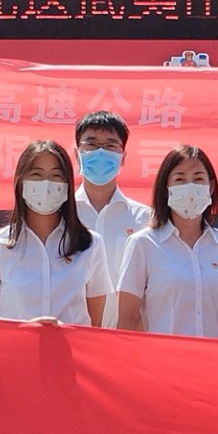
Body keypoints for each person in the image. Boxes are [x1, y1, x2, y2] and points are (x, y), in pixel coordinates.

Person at [0, 141, 111, 326]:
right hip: (16, 344)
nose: (46, 184)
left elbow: (95, 322)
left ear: (67, 185)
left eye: (56, 175)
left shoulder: (90, 244)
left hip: (70, 345)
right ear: (20, 182)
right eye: (36, 175)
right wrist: (25, 328)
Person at [116, 145, 218, 338]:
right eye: (180, 179)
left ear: (210, 187)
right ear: (166, 189)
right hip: (161, 355)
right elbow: (128, 318)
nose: (190, 187)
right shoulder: (143, 244)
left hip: (210, 356)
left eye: (198, 179)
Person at [72, 110, 153, 327]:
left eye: (110, 145)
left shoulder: (145, 219)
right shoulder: (61, 215)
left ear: (123, 157)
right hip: (72, 336)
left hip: (126, 337)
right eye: (91, 144)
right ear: (77, 154)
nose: (100, 152)